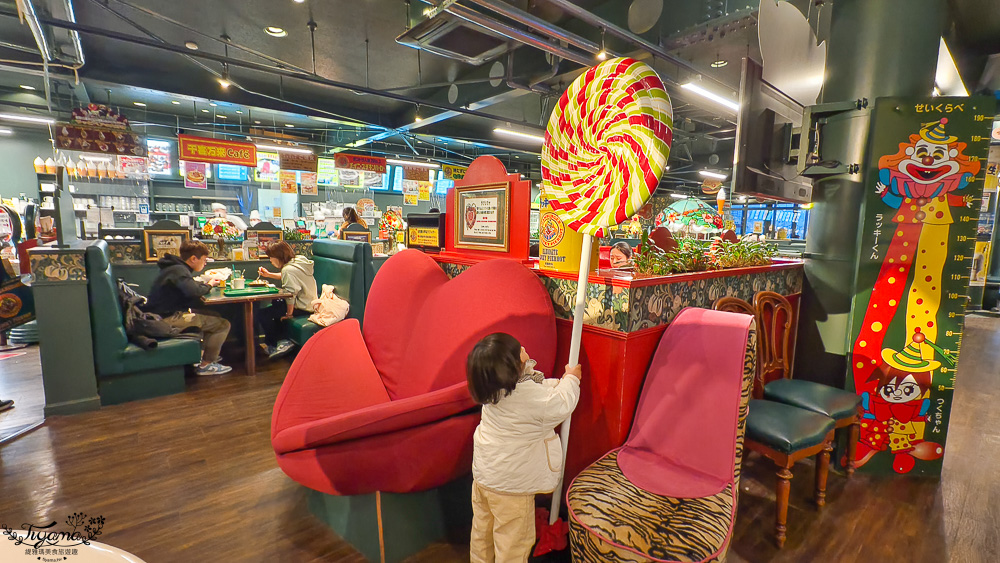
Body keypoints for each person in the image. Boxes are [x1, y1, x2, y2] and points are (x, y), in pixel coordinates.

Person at [466, 333, 582, 563]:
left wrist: (556, 383)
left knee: (482, 534)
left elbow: (535, 390)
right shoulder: (529, 399)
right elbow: (560, 404)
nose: (524, 348)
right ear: (513, 367)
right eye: (519, 350)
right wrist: (571, 380)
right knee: (512, 544)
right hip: (512, 489)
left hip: (484, 480)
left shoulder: (492, 391)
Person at [145, 240, 233, 375]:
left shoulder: (174, 268)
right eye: (204, 260)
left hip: (159, 315)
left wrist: (205, 285)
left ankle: (203, 356)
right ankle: (206, 364)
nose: (205, 263)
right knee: (223, 325)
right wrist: (209, 284)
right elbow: (194, 291)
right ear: (193, 259)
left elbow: (190, 288)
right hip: (166, 319)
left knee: (214, 316)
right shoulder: (179, 270)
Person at [256, 241, 318, 358]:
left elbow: (291, 295)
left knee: (263, 314)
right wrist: (269, 275)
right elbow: (288, 275)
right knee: (275, 306)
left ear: (278, 256)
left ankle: (275, 345)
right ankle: (281, 341)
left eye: (271, 257)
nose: (270, 260)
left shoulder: (288, 270)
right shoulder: (298, 261)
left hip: (302, 307)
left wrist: (289, 314)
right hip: (310, 303)